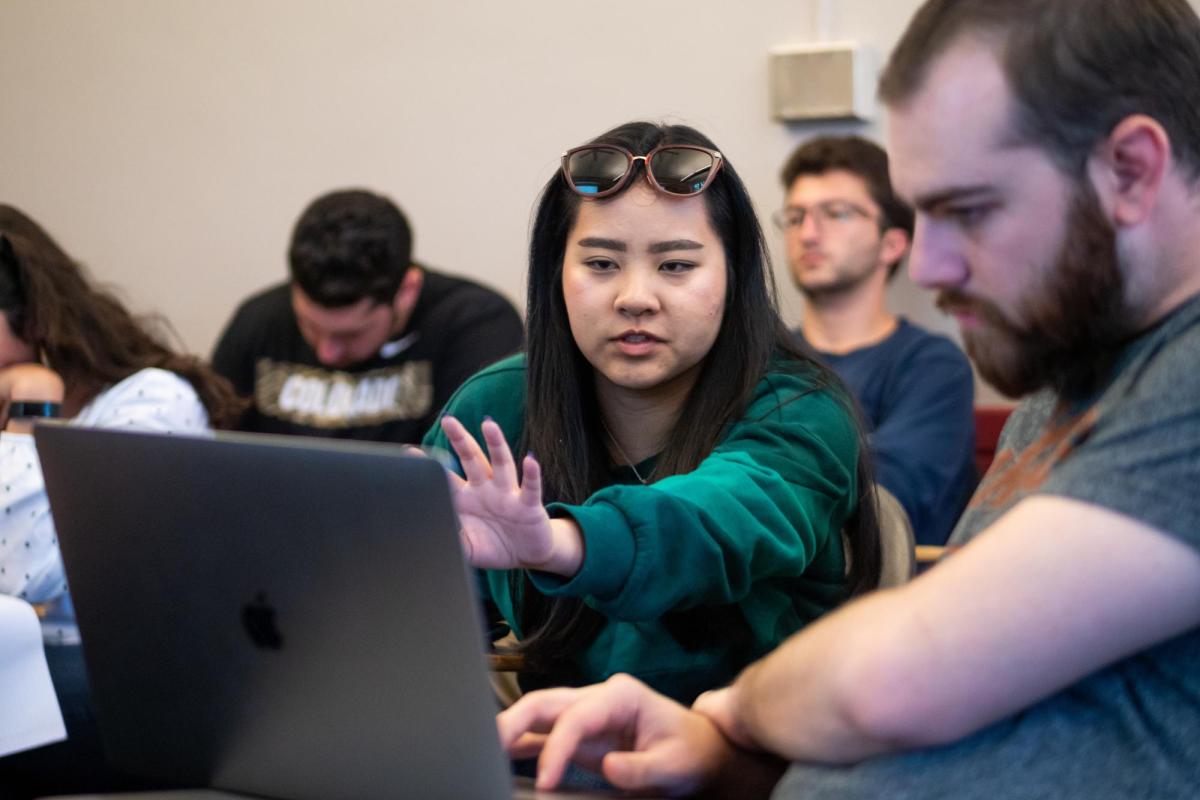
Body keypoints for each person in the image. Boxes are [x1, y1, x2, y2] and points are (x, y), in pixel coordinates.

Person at [494, 1, 1200, 797]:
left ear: (1133, 170)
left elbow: (894, 677)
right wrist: (725, 753)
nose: (927, 267)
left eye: (965, 210)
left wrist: (729, 715)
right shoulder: (1068, 389)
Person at [422, 121, 881, 706]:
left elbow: (712, 523)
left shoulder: (803, 411)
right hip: (552, 760)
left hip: (751, 763)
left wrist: (559, 543)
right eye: (601, 264)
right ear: (556, 274)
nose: (634, 297)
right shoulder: (495, 408)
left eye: (676, 266)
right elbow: (410, 618)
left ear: (733, 277)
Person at [0, 204, 242, 796]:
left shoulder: (151, 403)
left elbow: (22, 571)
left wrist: (31, 411)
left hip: (122, 679)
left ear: (32, 318)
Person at [777, 136, 976, 545]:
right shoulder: (763, 361)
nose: (808, 234)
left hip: (891, 594)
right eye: (795, 217)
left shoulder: (933, 367)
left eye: (836, 213)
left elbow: (887, 498)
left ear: (892, 243)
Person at [212, 189, 523, 443]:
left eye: (350, 335)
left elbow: (463, 473)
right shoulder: (259, 320)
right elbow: (211, 447)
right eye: (310, 326)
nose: (327, 353)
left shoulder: (476, 325)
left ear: (406, 290)